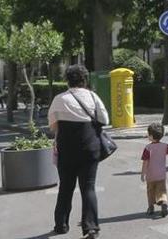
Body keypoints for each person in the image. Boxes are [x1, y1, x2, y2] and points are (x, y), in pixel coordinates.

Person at [48, 65, 109, 238]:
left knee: (65, 187)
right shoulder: (92, 96)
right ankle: (91, 227)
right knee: (88, 187)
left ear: (67, 80)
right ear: (84, 79)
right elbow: (104, 119)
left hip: (66, 149)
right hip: (90, 148)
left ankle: (61, 224)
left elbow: (52, 126)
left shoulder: (59, 99)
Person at [141, 122, 168, 218]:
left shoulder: (148, 148)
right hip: (161, 174)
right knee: (162, 190)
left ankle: (151, 207)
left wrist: (143, 174)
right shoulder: (164, 146)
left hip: (151, 175)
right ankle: (163, 202)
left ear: (150, 136)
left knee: (150, 191)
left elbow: (145, 162)